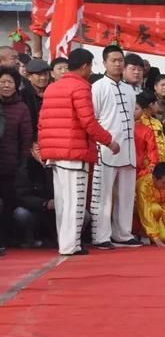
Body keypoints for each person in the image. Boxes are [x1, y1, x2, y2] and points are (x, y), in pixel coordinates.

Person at [38, 48, 119, 256]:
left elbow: (43, 122)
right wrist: (109, 141)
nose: (91, 70)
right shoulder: (80, 88)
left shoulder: (52, 88)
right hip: (74, 153)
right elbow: (88, 123)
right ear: (84, 66)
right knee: (75, 200)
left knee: (63, 201)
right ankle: (70, 245)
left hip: (55, 153)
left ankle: (65, 242)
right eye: (91, 66)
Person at [90, 45, 142, 249]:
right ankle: (101, 236)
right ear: (104, 63)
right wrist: (103, 142)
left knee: (127, 194)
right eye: (114, 60)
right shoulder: (98, 87)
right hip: (106, 148)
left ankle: (123, 233)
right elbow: (92, 119)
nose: (118, 64)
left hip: (128, 149)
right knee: (103, 194)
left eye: (121, 60)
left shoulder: (129, 89)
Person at [0, 67, 33, 255]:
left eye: (10, 82)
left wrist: (21, 163)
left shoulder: (21, 108)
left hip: (9, 166)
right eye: (2, 81)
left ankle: (4, 240)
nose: (6, 85)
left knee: (7, 205)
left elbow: (26, 138)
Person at [21, 59, 50, 139]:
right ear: (29, 77)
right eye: (39, 74)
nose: (43, 78)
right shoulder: (22, 95)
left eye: (46, 74)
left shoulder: (53, 93)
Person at [133, 92, 160, 178]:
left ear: (143, 111)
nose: (132, 111)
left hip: (140, 168)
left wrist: (153, 163)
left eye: (136, 109)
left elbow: (152, 149)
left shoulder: (146, 130)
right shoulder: (120, 126)